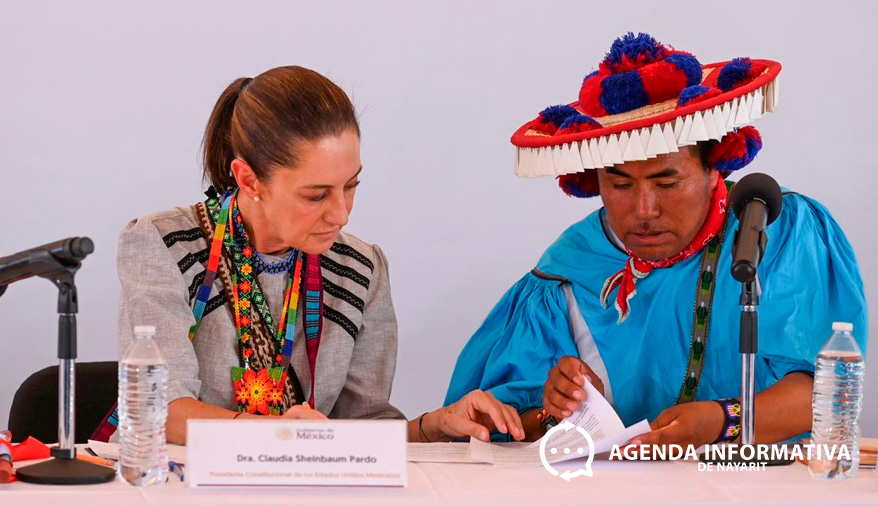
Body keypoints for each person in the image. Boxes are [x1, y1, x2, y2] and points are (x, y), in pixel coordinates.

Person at [444, 33, 867, 446]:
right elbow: (499, 427)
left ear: (712, 168)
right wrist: (555, 408)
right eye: (620, 185)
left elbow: (824, 394)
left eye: (666, 182)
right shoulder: (569, 270)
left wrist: (720, 423)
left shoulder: (778, 228)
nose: (644, 210)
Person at [99, 65, 523, 445]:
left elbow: (359, 429)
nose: (340, 214)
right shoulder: (163, 244)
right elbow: (156, 410)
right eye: (316, 195)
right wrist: (280, 433)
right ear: (248, 179)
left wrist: (436, 425)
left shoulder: (362, 268)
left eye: (351, 185)